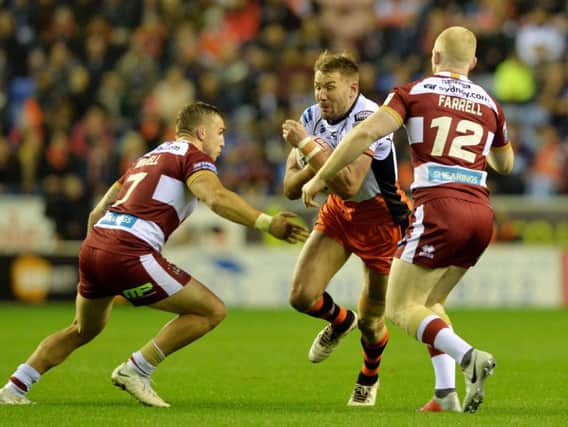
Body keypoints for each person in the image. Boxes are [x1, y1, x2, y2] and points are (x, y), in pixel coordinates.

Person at [0, 101, 309, 407]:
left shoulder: (150, 155)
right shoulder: (193, 156)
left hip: (95, 245)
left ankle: (14, 387)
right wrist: (266, 223)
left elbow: (97, 211)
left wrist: (102, 244)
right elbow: (214, 197)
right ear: (201, 132)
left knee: (83, 329)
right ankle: (136, 369)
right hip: (128, 250)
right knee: (211, 310)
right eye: (220, 132)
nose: (223, 140)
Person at [302, 27, 514, 413]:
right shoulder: (490, 103)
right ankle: (445, 394)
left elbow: (365, 133)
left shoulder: (413, 92)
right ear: (474, 63)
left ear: (434, 57)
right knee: (431, 302)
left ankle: (469, 357)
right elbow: (505, 163)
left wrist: (318, 176)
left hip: (439, 207)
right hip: (481, 215)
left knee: (399, 309)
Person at [281, 51, 410, 406]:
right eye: (317, 86)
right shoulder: (311, 117)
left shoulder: (370, 118)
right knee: (301, 296)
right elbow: (290, 188)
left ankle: (368, 378)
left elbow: (351, 183)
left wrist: (310, 148)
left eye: (329, 87)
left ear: (353, 88)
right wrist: (315, 158)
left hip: (382, 219)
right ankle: (340, 321)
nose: (321, 94)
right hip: (340, 212)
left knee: (372, 322)